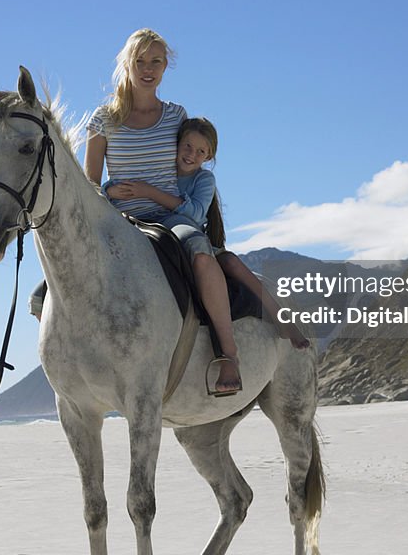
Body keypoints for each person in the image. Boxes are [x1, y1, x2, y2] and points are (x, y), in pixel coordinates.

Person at [84, 28, 242, 395]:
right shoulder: (103, 119)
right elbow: (89, 182)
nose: (148, 68)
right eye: (140, 61)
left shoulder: (175, 116)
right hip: (119, 220)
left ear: (166, 66)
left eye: (156, 61)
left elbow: (192, 163)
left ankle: (228, 354)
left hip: (171, 221)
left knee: (201, 253)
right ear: (127, 64)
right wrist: (108, 189)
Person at [110, 117, 311, 350]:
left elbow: (194, 214)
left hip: (190, 237)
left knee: (232, 263)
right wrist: (109, 189)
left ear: (209, 157)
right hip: (156, 232)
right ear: (177, 143)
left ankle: (279, 317)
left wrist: (151, 193)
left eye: (200, 151)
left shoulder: (204, 178)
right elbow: (119, 186)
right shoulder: (161, 170)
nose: (191, 154)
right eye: (187, 146)